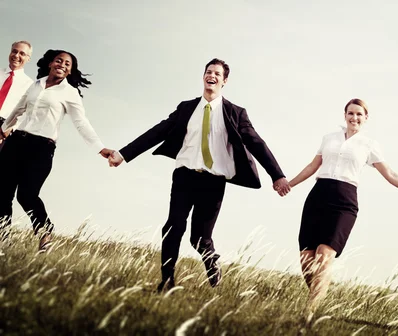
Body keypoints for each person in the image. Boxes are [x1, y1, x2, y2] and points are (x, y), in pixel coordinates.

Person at [108, 58, 290, 292]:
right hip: (184, 176)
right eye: (208, 72)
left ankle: (211, 259)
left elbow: (256, 143)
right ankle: (167, 280)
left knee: (200, 239)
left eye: (217, 73)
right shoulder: (186, 108)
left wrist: (277, 175)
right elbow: (158, 131)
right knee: (173, 226)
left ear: (224, 81)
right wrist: (123, 154)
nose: (211, 76)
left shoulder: (235, 113)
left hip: (213, 182)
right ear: (203, 76)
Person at [283, 98, 398, 319]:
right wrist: (290, 184)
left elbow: (390, 174)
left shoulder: (369, 145)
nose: (354, 117)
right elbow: (313, 165)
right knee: (307, 259)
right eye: (350, 113)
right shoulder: (329, 138)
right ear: (345, 115)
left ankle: (308, 314)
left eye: (359, 114)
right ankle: (319, 296)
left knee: (324, 256)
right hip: (318, 196)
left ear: (366, 118)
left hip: (344, 202)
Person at [0, 49, 114, 250]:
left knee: (27, 195)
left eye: (67, 64)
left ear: (70, 71)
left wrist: (99, 148)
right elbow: (18, 109)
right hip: (16, 142)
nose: (62, 65)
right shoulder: (35, 85)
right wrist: (2, 130)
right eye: (59, 61)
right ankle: (3, 238)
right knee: (2, 192)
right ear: (51, 63)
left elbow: (81, 122)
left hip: (42, 148)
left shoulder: (70, 93)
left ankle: (45, 232)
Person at [0, 41, 34, 146]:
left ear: (28, 59)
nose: (16, 55)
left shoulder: (30, 85)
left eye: (22, 53)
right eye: (14, 51)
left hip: (3, 127)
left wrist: (8, 130)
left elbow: (27, 112)